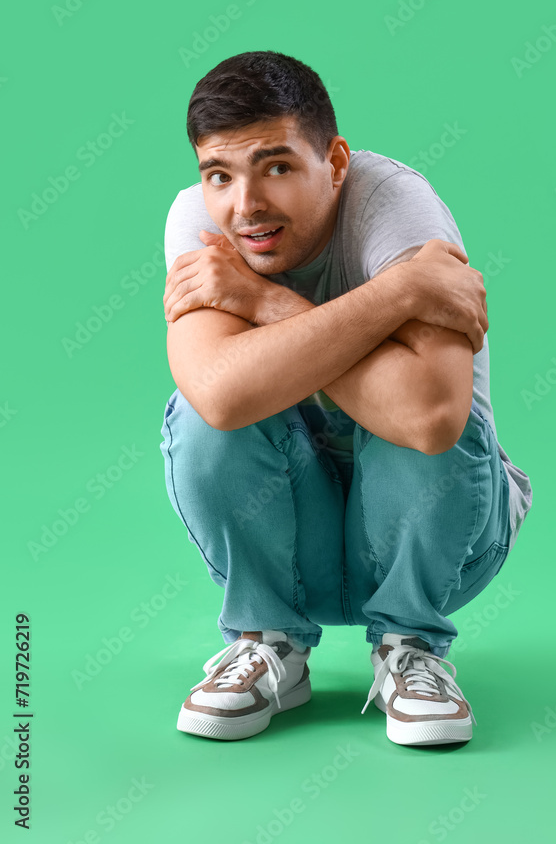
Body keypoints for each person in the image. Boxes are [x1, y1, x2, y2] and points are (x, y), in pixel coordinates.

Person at [159, 50, 533, 747]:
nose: (246, 207)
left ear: (333, 162)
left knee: (413, 422)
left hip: (441, 540)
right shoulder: (200, 226)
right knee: (203, 418)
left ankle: (410, 647)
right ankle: (267, 640)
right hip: (287, 542)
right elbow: (219, 395)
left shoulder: (394, 209)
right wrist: (394, 295)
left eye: (276, 166)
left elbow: (428, 420)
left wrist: (261, 303)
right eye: (219, 174)